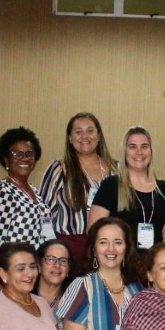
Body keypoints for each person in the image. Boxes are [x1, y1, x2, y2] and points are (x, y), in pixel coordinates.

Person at [39, 112, 117, 270]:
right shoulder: (59, 169)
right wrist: (50, 252)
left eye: (90, 131)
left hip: (109, 250)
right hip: (70, 251)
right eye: (78, 132)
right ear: (70, 138)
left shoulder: (117, 169)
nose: (85, 136)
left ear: (99, 135)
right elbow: (42, 213)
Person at [88, 126, 165, 251]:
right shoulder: (111, 185)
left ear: (151, 151)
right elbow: (93, 231)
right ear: (124, 152)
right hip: (120, 264)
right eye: (132, 146)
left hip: (154, 266)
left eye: (144, 146)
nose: (139, 152)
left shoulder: (164, 189)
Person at [0, 127, 53, 270]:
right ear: (6, 159)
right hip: (12, 276)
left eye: (29, 153)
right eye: (17, 153)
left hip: (36, 273)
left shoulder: (35, 192)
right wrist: (0, 288)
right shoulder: (1, 193)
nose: (24, 158)